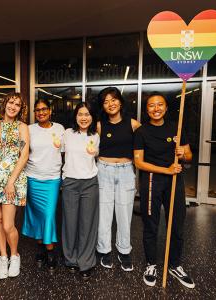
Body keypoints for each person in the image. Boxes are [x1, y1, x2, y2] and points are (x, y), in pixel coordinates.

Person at [133, 92, 195, 288]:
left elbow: (189, 156)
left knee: (176, 223)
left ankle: (175, 265)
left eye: (160, 105)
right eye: (152, 105)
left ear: (166, 108)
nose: (156, 108)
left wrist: (182, 154)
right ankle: (151, 264)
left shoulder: (176, 129)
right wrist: (165, 170)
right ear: (147, 110)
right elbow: (139, 162)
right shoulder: (141, 132)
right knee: (151, 224)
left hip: (175, 181)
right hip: (152, 180)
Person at [0, 92, 29, 279]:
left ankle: (14, 255)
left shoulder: (22, 127)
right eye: (11, 102)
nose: (13, 106)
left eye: (17, 104)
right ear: (5, 104)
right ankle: (3, 256)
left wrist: (11, 182)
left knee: (9, 224)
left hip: (12, 179)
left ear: (20, 109)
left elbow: (24, 155)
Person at [96, 87, 141, 271]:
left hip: (125, 171)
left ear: (120, 102)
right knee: (104, 214)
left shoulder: (133, 124)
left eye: (113, 100)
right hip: (103, 170)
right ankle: (104, 249)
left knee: (124, 213)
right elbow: (90, 146)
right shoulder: (99, 125)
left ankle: (124, 250)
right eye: (105, 102)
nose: (110, 104)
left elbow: (148, 140)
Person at [21, 99, 64, 272]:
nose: (41, 112)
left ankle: (50, 251)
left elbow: (67, 151)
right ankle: (41, 249)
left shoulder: (60, 129)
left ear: (50, 110)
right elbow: (21, 152)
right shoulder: (29, 129)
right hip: (32, 178)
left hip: (52, 179)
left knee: (48, 215)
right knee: (36, 215)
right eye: (37, 110)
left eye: (44, 109)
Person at [61, 102, 100, 281]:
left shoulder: (96, 135)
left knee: (87, 224)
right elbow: (56, 151)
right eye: (80, 114)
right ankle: (70, 259)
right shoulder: (67, 134)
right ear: (75, 117)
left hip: (90, 183)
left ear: (92, 117)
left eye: (87, 114)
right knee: (70, 222)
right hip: (70, 182)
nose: (84, 118)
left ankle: (86, 261)